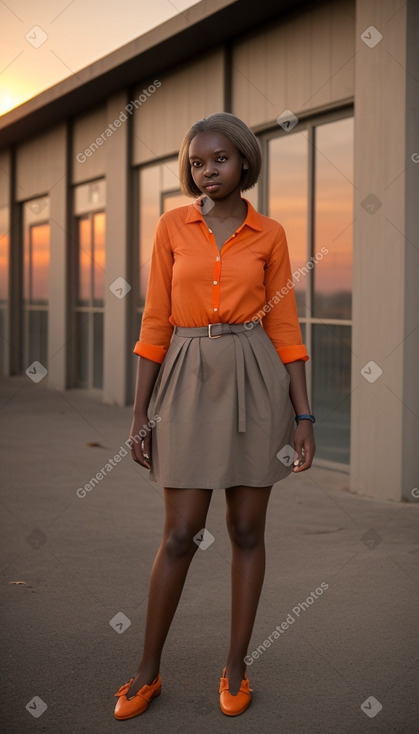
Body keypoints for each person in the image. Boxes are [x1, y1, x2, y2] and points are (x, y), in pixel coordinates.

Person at [114, 112, 316, 720]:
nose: (208, 172)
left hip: (256, 376)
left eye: (220, 160)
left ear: (244, 161)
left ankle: (235, 668)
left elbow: (284, 324)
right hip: (184, 374)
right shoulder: (171, 227)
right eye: (197, 163)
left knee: (247, 531)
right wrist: (139, 412)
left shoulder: (270, 234)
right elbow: (154, 320)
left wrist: (304, 415)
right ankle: (147, 672)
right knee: (180, 534)